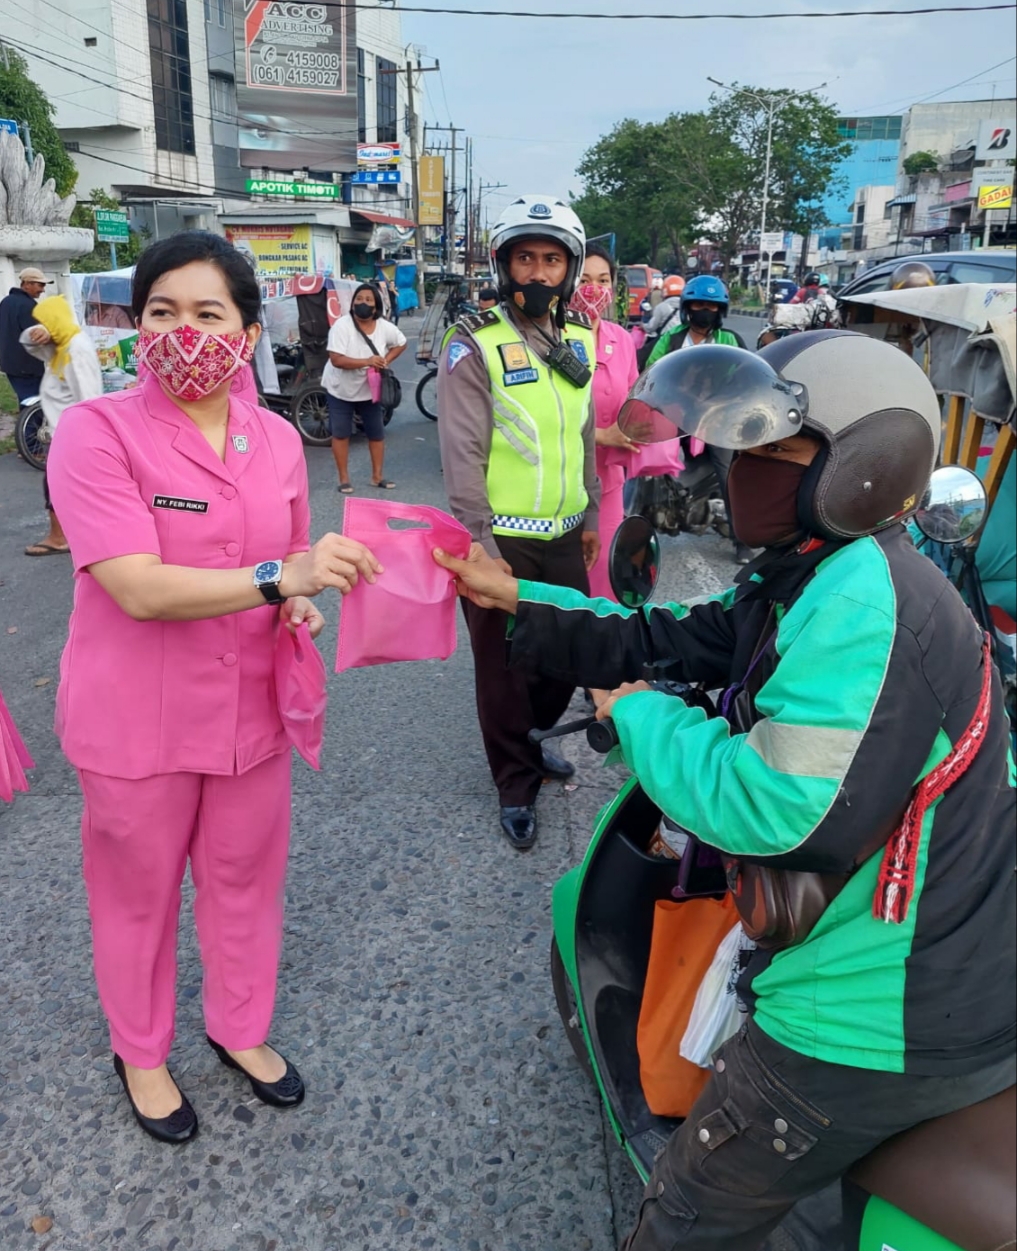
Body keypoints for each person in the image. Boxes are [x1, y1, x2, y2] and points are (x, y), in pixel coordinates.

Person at [434, 332, 1016, 1250]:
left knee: (686, 1216)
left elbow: (775, 809)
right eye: (741, 446)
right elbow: (670, 633)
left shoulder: (863, 602)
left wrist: (639, 715)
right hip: (930, 958)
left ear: (862, 462)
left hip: (874, 1012)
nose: (743, 469)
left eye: (773, 450)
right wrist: (515, 599)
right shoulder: (819, 570)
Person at [46, 230, 381, 1145]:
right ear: (135, 322)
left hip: (250, 710)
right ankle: (140, 1051)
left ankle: (239, 1026)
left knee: (244, 878)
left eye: (207, 312)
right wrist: (281, 579)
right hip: (135, 718)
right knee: (137, 892)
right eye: (162, 311)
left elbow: (287, 555)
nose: (183, 332)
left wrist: (296, 600)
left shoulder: (274, 436)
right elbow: (137, 587)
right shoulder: (96, 432)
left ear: (246, 330)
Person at [436, 194, 600, 851]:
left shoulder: (580, 340)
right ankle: (515, 782)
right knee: (503, 669)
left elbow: (582, 434)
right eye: (524, 258)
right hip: (500, 537)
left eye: (551, 260)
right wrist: (477, 539)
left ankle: (530, 743)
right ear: (504, 266)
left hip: (564, 532)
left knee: (566, 657)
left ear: (569, 269)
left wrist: (590, 508)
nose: (537, 272)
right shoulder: (474, 342)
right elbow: (462, 449)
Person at [645, 275, 753, 564]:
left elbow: (746, 376)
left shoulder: (730, 340)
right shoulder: (672, 338)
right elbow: (651, 371)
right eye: (698, 304)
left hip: (717, 419)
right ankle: (640, 535)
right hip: (676, 415)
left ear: (721, 310)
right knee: (647, 470)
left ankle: (741, 540)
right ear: (687, 307)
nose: (705, 310)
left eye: (711, 306)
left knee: (730, 476)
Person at [570, 242, 639, 599]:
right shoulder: (549, 337)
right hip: (558, 481)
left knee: (603, 581)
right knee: (560, 585)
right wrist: (600, 435)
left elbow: (634, 398)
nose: (594, 290)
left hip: (607, 481)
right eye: (583, 280)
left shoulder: (622, 339)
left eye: (602, 280)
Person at [20, 294, 103, 557]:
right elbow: (30, 345)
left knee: (57, 486)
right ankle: (80, 533)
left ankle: (60, 538)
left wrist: (86, 439)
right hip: (66, 430)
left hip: (72, 433)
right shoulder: (61, 343)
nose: (43, 327)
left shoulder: (75, 349)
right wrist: (39, 332)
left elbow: (89, 397)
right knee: (68, 486)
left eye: (46, 321)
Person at [322, 282, 406, 494]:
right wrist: (368, 361)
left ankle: (377, 476)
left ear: (376, 306)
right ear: (352, 304)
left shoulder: (384, 327)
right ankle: (344, 479)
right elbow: (336, 359)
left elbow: (401, 342)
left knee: (376, 433)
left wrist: (385, 361)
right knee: (341, 433)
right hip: (340, 389)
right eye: (359, 299)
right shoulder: (342, 326)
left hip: (370, 389)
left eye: (368, 300)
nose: (363, 303)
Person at [0, 267, 49, 407]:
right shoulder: (29, 305)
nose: (43, 290)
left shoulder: (6, 302)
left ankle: (24, 421)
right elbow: (35, 336)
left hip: (9, 363)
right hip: (27, 365)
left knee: (26, 401)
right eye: (40, 285)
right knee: (34, 404)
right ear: (27, 284)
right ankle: (29, 423)